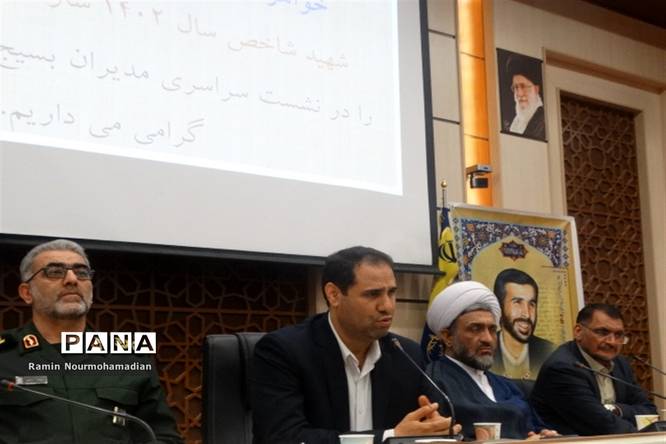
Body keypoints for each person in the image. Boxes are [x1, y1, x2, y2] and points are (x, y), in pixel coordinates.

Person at [251, 246, 459, 444]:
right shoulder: (284, 351)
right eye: (373, 294)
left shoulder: (406, 354)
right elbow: (282, 438)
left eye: (391, 293)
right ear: (334, 295)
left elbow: (431, 423)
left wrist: (437, 429)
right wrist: (391, 437)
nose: (387, 306)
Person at [0, 239, 182, 444]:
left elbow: (164, 436)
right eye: (55, 272)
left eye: (82, 272)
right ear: (27, 293)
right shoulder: (5, 355)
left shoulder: (128, 356)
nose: (72, 279)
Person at [425, 281, 557, 440]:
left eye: (492, 329)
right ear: (447, 337)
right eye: (475, 329)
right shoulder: (435, 382)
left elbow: (536, 428)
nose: (487, 339)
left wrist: (545, 435)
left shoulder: (507, 386)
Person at [531, 303, 657, 435]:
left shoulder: (620, 364)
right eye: (602, 332)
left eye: (618, 335)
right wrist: (647, 434)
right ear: (578, 332)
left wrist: (616, 409)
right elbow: (601, 425)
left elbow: (649, 412)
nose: (612, 341)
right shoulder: (562, 368)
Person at [491, 268, 555, 379]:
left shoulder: (549, 352)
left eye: (531, 304)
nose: (527, 314)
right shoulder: (485, 351)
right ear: (499, 306)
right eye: (517, 302)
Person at [503, 56, 546, 140]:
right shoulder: (514, 124)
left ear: (536, 89)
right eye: (515, 87)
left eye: (523, 86)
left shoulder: (544, 121)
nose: (519, 93)